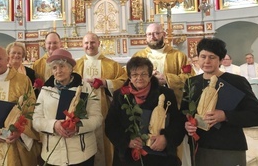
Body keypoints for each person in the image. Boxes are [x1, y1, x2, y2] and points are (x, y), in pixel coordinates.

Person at [183, 38, 258, 166]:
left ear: (220, 60)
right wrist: (187, 124)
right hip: (200, 147)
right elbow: (184, 112)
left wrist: (225, 115)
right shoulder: (191, 83)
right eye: (203, 56)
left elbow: (257, 115)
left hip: (228, 147)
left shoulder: (237, 82)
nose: (207, 61)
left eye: (212, 57)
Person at [105, 57, 185, 166]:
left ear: (150, 75)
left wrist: (166, 138)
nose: (139, 78)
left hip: (159, 157)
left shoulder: (166, 94)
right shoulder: (120, 96)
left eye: (143, 74)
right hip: (129, 157)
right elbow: (111, 125)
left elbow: (178, 122)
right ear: (129, 77)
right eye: (134, 75)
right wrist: (127, 141)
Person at [33, 48, 103, 165]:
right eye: (54, 68)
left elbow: (97, 118)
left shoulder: (85, 88)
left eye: (62, 66)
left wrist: (77, 127)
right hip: (53, 154)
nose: (58, 71)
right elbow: (36, 120)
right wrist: (53, 125)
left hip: (82, 153)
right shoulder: (45, 90)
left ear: (70, 68)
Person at [74, 32, 128, 166]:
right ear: (82, 45)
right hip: (82, 112)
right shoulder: (76, 65)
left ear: (99, 43)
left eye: (92, 42)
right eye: (86, 43)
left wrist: (106, 83)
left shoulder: (112, 65)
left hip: (105, 110)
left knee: (104, 143)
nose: (89, 45)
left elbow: (124, 80)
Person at [132, 23, 191, 107]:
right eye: (149, 34)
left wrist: (167, 79)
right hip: (144, 100)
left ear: (164, 34)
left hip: (170, 101)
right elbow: (129, 77)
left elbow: (189, 77)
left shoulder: (178, 56)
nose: (152, 37)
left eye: (156, 33)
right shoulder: (138, 56)